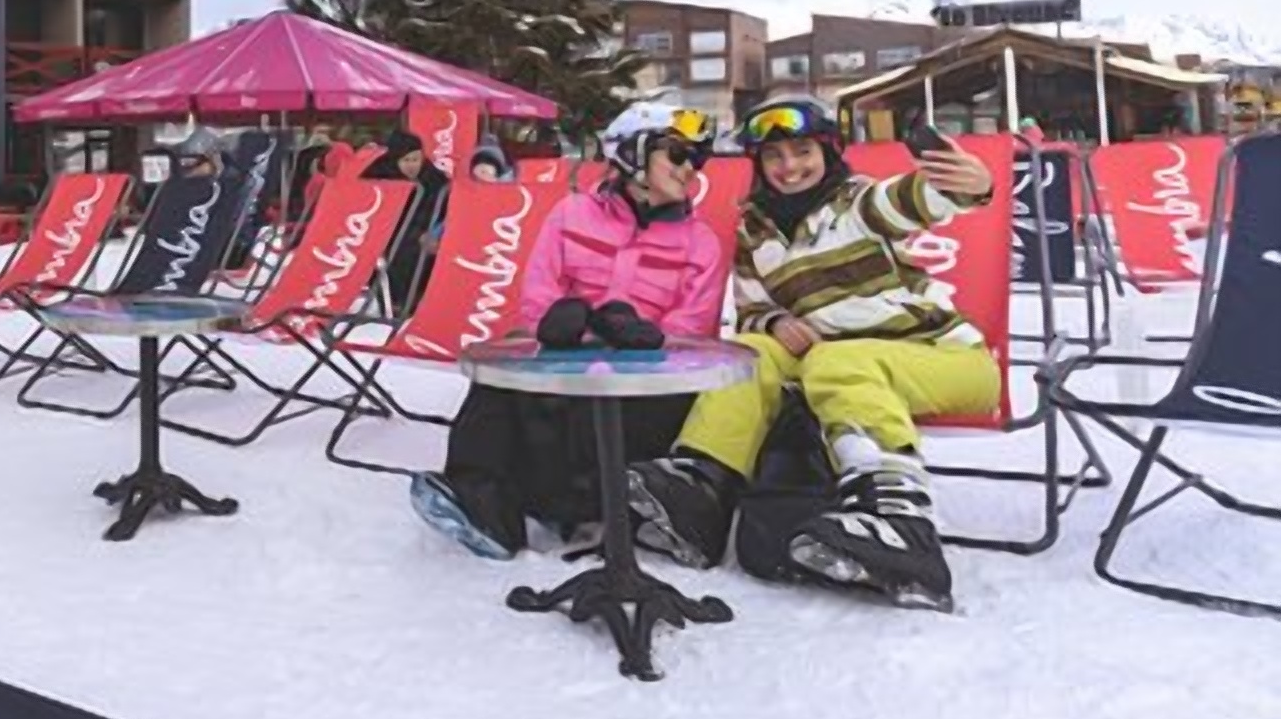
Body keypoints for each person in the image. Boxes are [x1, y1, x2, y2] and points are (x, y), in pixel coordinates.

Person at [626, 95, 1000, 611]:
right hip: (841, 368)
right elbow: (752, 310)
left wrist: (970, 184)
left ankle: (899, 522)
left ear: (828, 152)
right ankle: (699, 490)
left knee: (836, 360)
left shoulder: (856, 204)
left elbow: (913, 198)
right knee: (749, 350)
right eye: (774, 157)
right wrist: (777, 321)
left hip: (946, 359)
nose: (789, 167)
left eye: (803, 151)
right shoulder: (755, 232)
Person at [409, 104, 729, 560]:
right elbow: (539, 295)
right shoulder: (572, 215)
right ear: (634, 154)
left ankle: (609, 505)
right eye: (676, 155)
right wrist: (560, 323)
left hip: (643, 387)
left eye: (695, 161)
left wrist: (647, 338)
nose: (688, 170)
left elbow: (692, 331)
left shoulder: (700, 244)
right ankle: (484, 509)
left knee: (631, 404)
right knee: (498, 384)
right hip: (568, 363)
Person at [362, 131, 446, 315]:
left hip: (427, 231)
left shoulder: (436, 180)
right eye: (406, 160)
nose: (412, 166)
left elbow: (447, 212)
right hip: (386, 233)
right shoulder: (378, 176)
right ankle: (396, 299)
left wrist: (435, 233)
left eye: (416, 159)